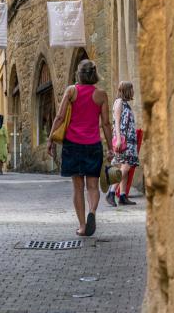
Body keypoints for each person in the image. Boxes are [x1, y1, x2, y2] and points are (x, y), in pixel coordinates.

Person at [47, 59, 113, 237]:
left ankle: (83, 226)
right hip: (93, 145)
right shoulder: (101, 95)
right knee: (93, 186)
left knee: (78, 187)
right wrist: (111, 147)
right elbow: (106, 123)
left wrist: (50, 139)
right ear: (95, 74)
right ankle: (92, 212)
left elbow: (60, 117)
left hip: (73, 145)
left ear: (79, 74)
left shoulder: (71, 91)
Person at [106, 81, 140, 207]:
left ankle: (123, 195)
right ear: (126, 90)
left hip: (129, 140)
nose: (133, 91)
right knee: (126, 166)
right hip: (124, 139)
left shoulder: (125, 103)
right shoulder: (119, 102)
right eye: (131, 89)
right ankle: (111, 192)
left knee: (125, 166)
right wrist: (119, 139)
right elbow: (117, 122)